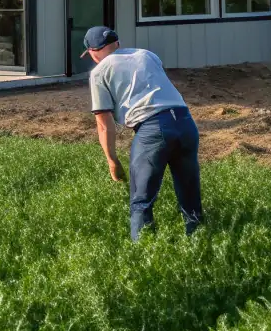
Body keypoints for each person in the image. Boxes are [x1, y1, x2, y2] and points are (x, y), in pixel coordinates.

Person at [82, 26, 203, 241]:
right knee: (190, 197)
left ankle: (142, 257)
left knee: (141, 201)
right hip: (185, 122)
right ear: (117, 44)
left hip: (153, 128)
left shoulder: (99, 72)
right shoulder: (147, 55)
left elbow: (104, 123)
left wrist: (112, 161)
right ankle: (200, 245)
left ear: (93, 51)